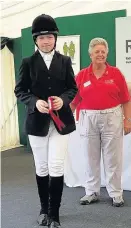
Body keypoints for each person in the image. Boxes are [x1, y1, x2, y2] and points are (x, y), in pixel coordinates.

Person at [14, 14, 77, 228]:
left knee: (57, 166)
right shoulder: (27, 62)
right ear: (35, 40)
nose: (46, 41)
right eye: (41, 38)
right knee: (42, 167)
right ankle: (43, 210)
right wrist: (34, 102)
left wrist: (63, 99)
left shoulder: (65, 61)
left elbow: (73, 88)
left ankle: (55, 214)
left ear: (55, 38)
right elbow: (20, 90)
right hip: (37, 123)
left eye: (49, 36)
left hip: (60, 123)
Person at [70, 37, 131, 207]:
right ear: (90, 54)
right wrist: (64, 119)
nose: (101, 54)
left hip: (112, 117)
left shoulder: (116, 73)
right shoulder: (81, 75)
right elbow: (74, 101)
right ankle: (91, 192)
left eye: (103, 51)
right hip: (88, 118)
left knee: (113, 158)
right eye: (97, 51)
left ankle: (116, 194)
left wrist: (128, 120)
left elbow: (126, 99)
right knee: (90, 157)